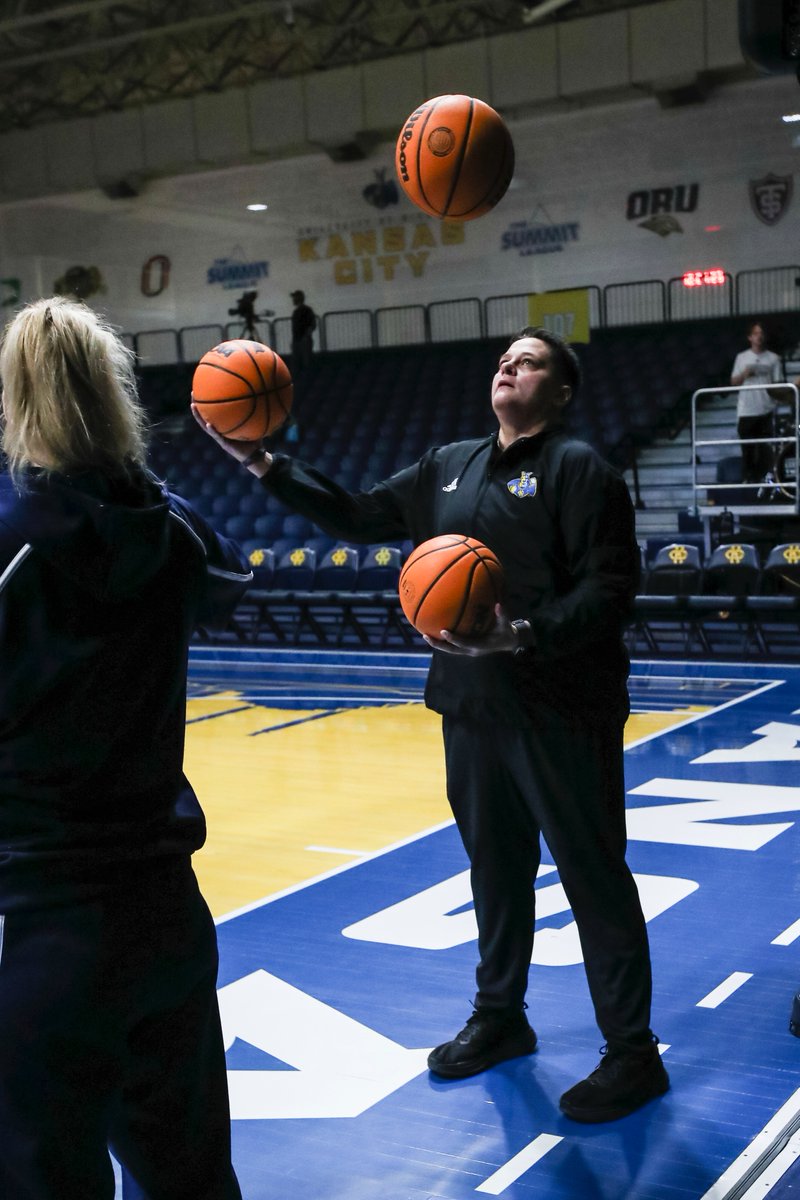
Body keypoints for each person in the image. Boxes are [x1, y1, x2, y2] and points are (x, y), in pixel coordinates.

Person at [194, 326, 668, 1125]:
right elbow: (355, 514)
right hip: (470, 708)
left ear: (561, 391)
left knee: (594, 879)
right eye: (502, 360)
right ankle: (501, 1017)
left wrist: (521, 635)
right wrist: (259, 460)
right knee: (493, 873)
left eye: (529, 362)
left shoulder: (579, 469)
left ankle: (632, 1054)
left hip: (562, 713)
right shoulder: (450, 464)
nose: (507, 367)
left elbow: (610, 589)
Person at [0, 297, 251, 1199]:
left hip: (41, 916)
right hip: (164, 908)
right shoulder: (177, 528)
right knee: (190, 1174)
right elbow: (229, 577)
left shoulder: (9, 539)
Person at [730, 320, 784, 486]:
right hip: (747, 409)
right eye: (755, 334)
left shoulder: (774, 358)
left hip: (766, 408)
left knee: (765, 448)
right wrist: (745, 374)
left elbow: (779, 384)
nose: (759, 337)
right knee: (747, 448)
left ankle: (766, 479)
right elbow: (733, 382)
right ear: (750, 337)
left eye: (761, 334)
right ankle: (748, 479)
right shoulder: (742, 357)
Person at [290, 289, 316, 373]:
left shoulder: (305, 310)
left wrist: (306, 336)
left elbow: (312, 325)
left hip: (302, 340)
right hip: (298, 340)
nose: (293, 299)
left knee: (305, 362)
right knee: (300, 362)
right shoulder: (299, 311)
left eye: (294, 297)